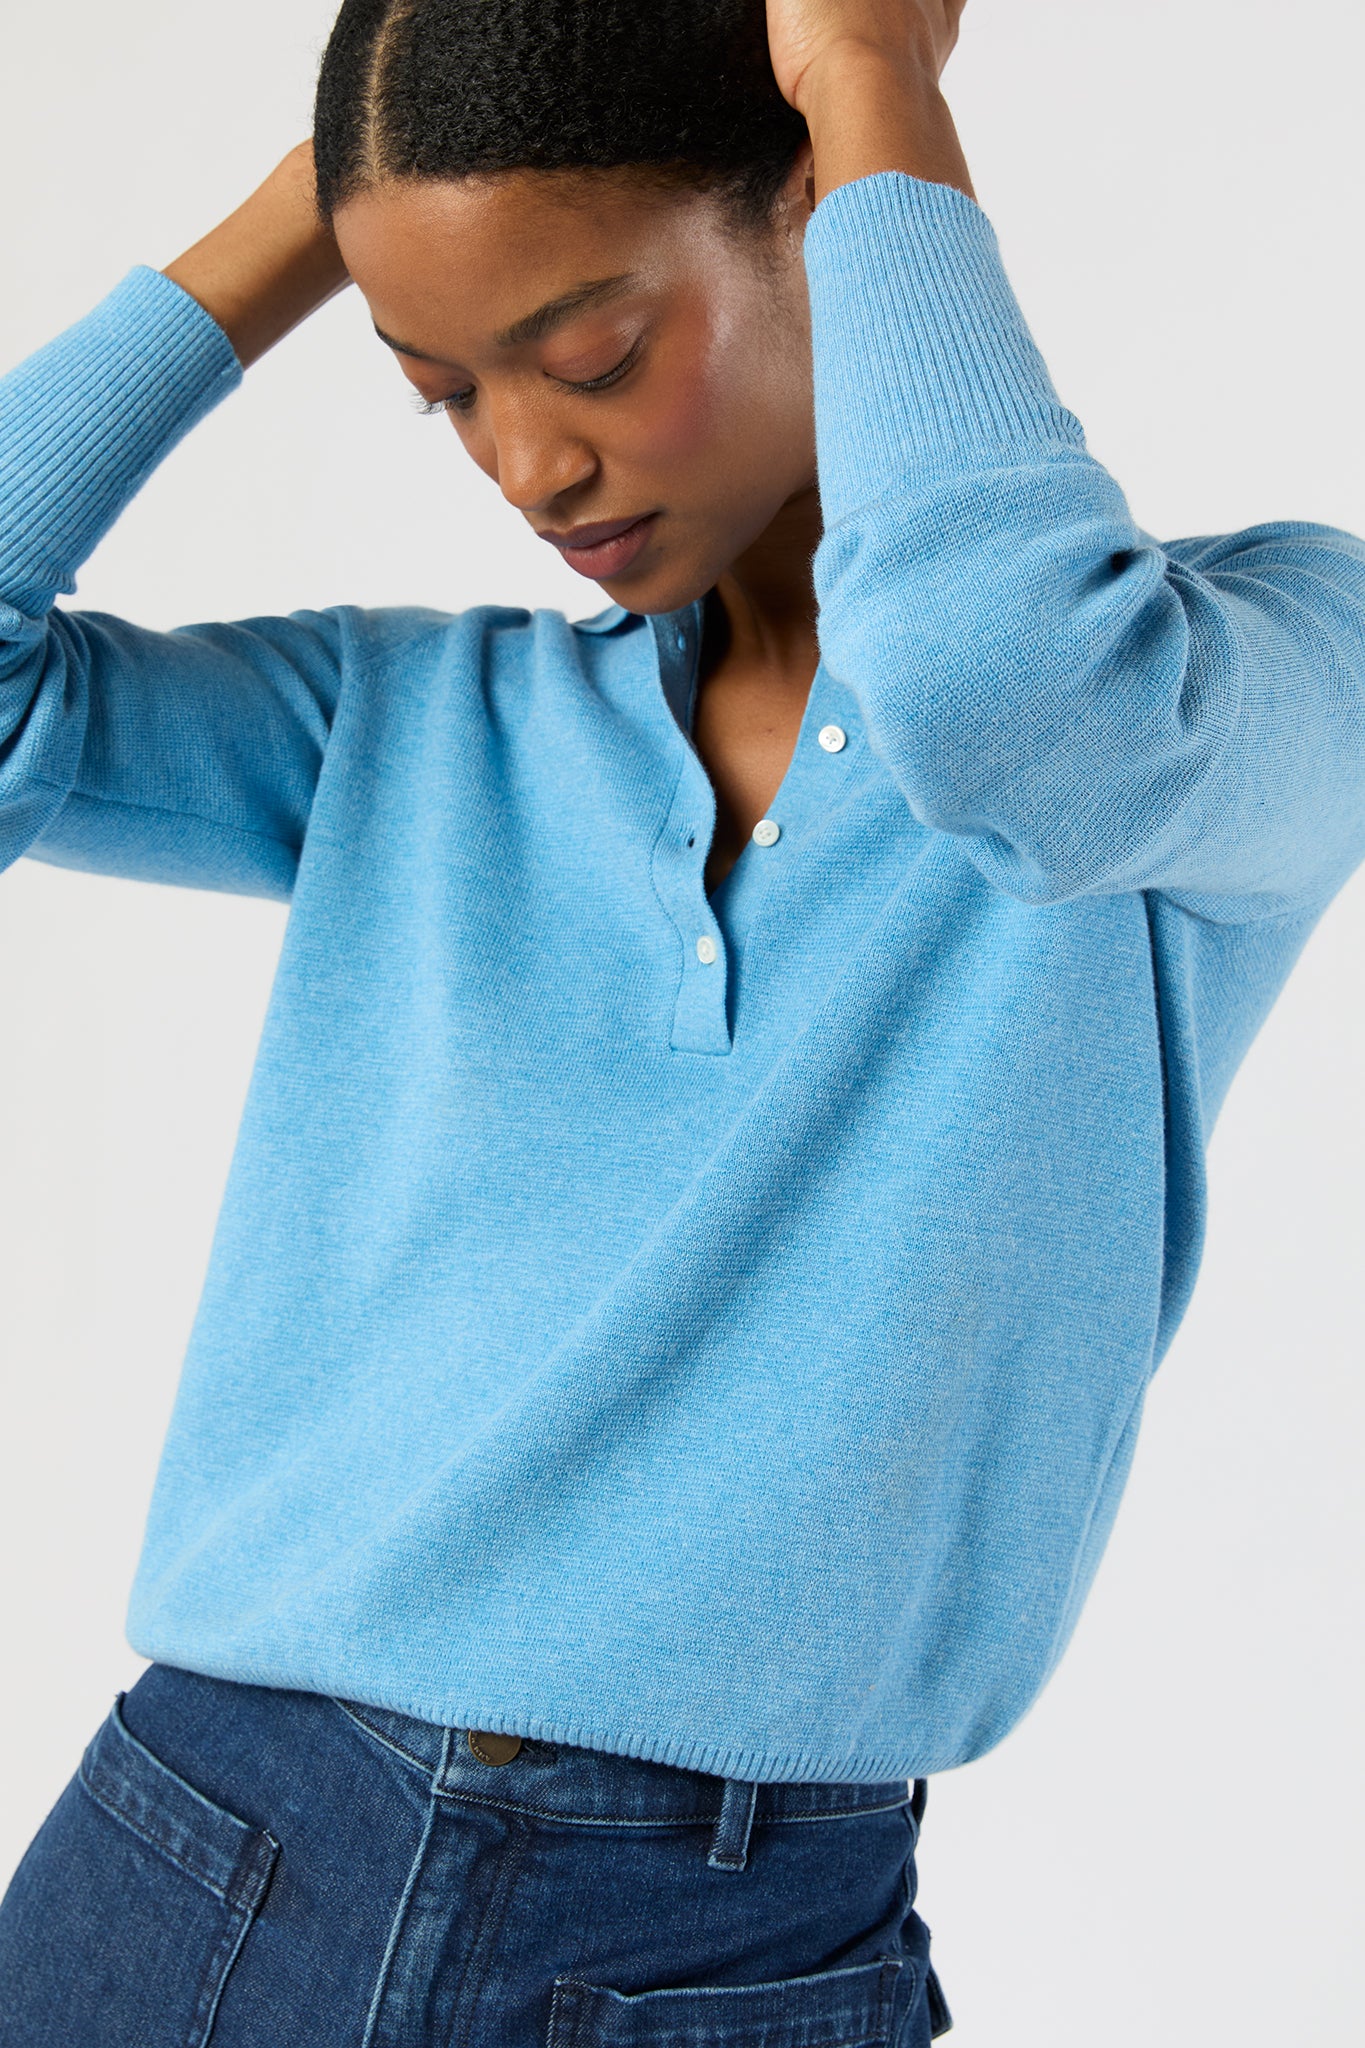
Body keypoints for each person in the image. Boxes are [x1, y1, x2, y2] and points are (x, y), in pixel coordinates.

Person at [1, 0, 1362, 2039]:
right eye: (441, 393)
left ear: (823, 210)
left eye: (589, 355)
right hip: (198, 1851)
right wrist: (333, 196)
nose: (526, 463)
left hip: (714, 1943)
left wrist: (870, 77)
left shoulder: (1224, 677)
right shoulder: (412, 722)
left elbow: (1000, 687)